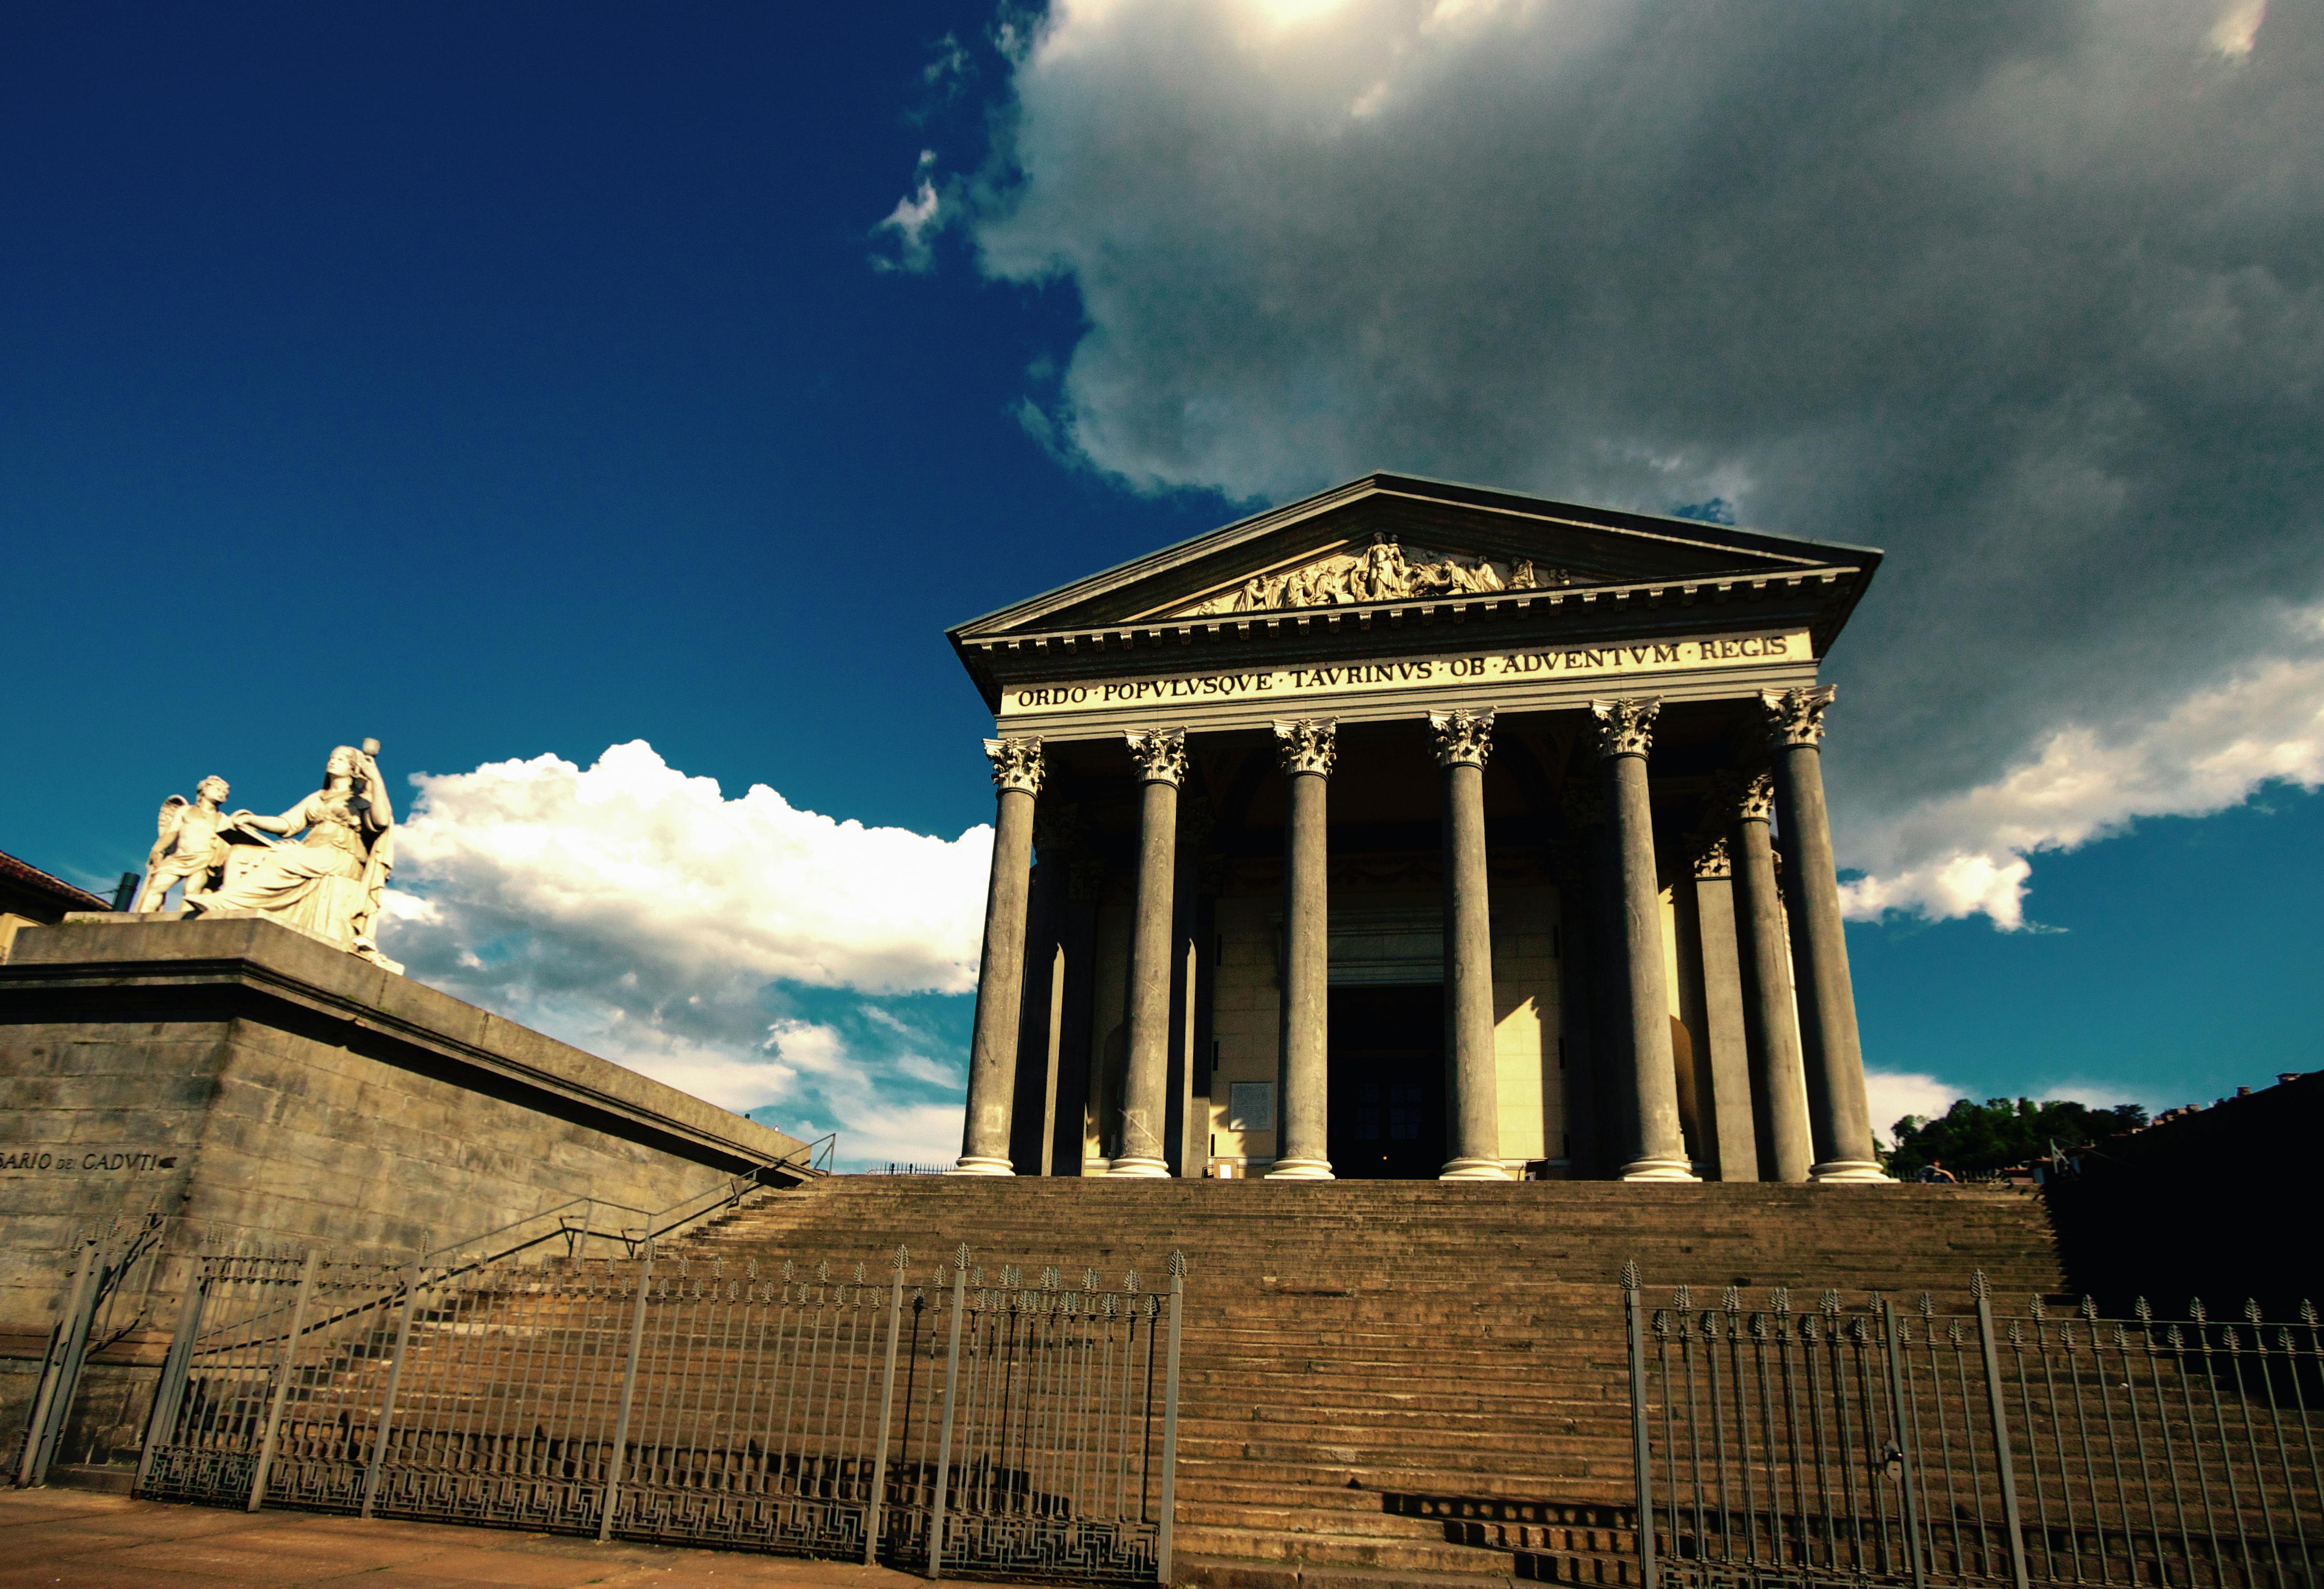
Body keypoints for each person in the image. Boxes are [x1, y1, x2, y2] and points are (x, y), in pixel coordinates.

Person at [191, 743, 398, 968]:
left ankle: (225, 902)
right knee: (240, 853)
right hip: (311, 852)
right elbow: (287, 823)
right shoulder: (317, 797)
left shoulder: (360, 799)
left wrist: (375, 778)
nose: (332, 761)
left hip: (340, 856)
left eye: (339, 759)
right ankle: (234, 910)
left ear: (353, 768)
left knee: (287, 856)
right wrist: (253, 820)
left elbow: (381, 820)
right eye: (331, 757)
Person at [136, 776, 247, 912]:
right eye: (218, 789)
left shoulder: (223, 819)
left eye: (225, 793)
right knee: (157, 887)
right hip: (179, 857)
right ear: (204, 790)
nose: (222, 794)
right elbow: (171, 833)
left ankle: (181, 926)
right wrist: (157, 849)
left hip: (204, 860)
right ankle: (143, 918)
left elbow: (230, 843)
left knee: (192, 894)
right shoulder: (185, 811)